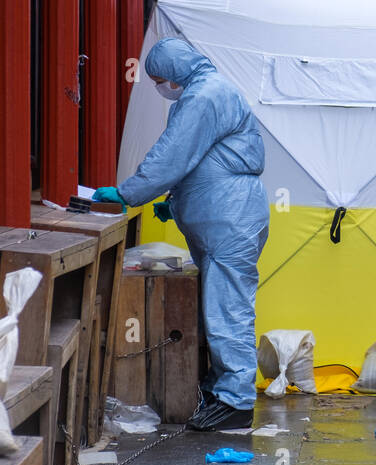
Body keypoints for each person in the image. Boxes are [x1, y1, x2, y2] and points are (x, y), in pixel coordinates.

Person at [94, 38, 270, 432]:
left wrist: (128, 193)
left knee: (229, 311)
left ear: (174, 72)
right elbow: (205, 161)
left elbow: (171, 156)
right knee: (221, 308)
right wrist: (174, 204)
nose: (160, 87)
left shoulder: (204, 97)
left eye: (159, 79)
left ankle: (236, 402)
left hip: (229, 223)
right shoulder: (208, 91)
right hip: (228, 220)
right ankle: (221, 390)